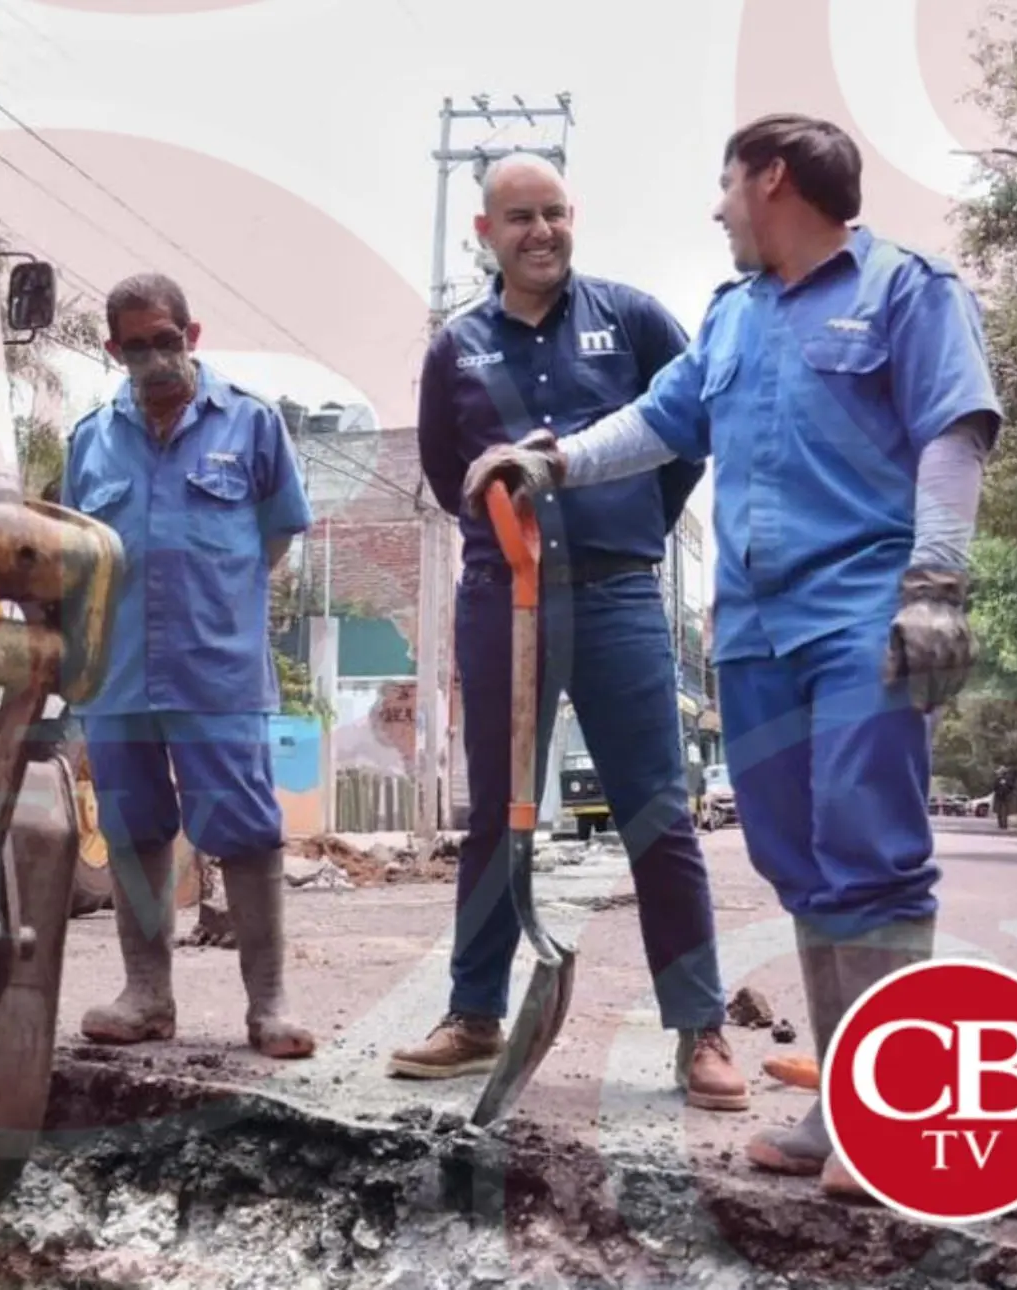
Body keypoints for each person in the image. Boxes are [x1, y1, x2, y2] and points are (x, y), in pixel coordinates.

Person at [463, 114, 1002, 1199]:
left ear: (772, 180)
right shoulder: (736, 318)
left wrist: (936, 588)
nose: (715, 211)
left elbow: (954, 432)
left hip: (863, 615)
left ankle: (891, 1120)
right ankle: (841, 1107)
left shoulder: (905, 289)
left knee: (874, 856)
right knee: (797, 861)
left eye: (724, 188)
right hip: (752, 630)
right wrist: (548, 461)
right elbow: (661, 423)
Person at [390, 152, 748, 1113]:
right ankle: (473, 1015)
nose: (540, 231)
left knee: (657, 814)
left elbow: (685, 434)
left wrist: (629, 526)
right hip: (500, 598)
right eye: (519, 218)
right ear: (485, 233)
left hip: (618, 597)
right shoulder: (453, 347)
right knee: (496, 813)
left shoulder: (631, 320)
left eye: (554, 213)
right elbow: (443, 469)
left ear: (571, 216)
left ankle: (699, 1027)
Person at [61, 271, 317, 1060]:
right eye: (134, 347)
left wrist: (216, 601)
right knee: (133, 831)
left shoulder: (251, 425)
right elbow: (82, 558)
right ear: (113, 350)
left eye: (166, 340)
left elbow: (276, 539)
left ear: (192, 334)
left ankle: (268, 1004)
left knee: (243, 829)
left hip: (218, 673)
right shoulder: (89, 439)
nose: (153, 359)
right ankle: (146, 996)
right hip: (119, 675)